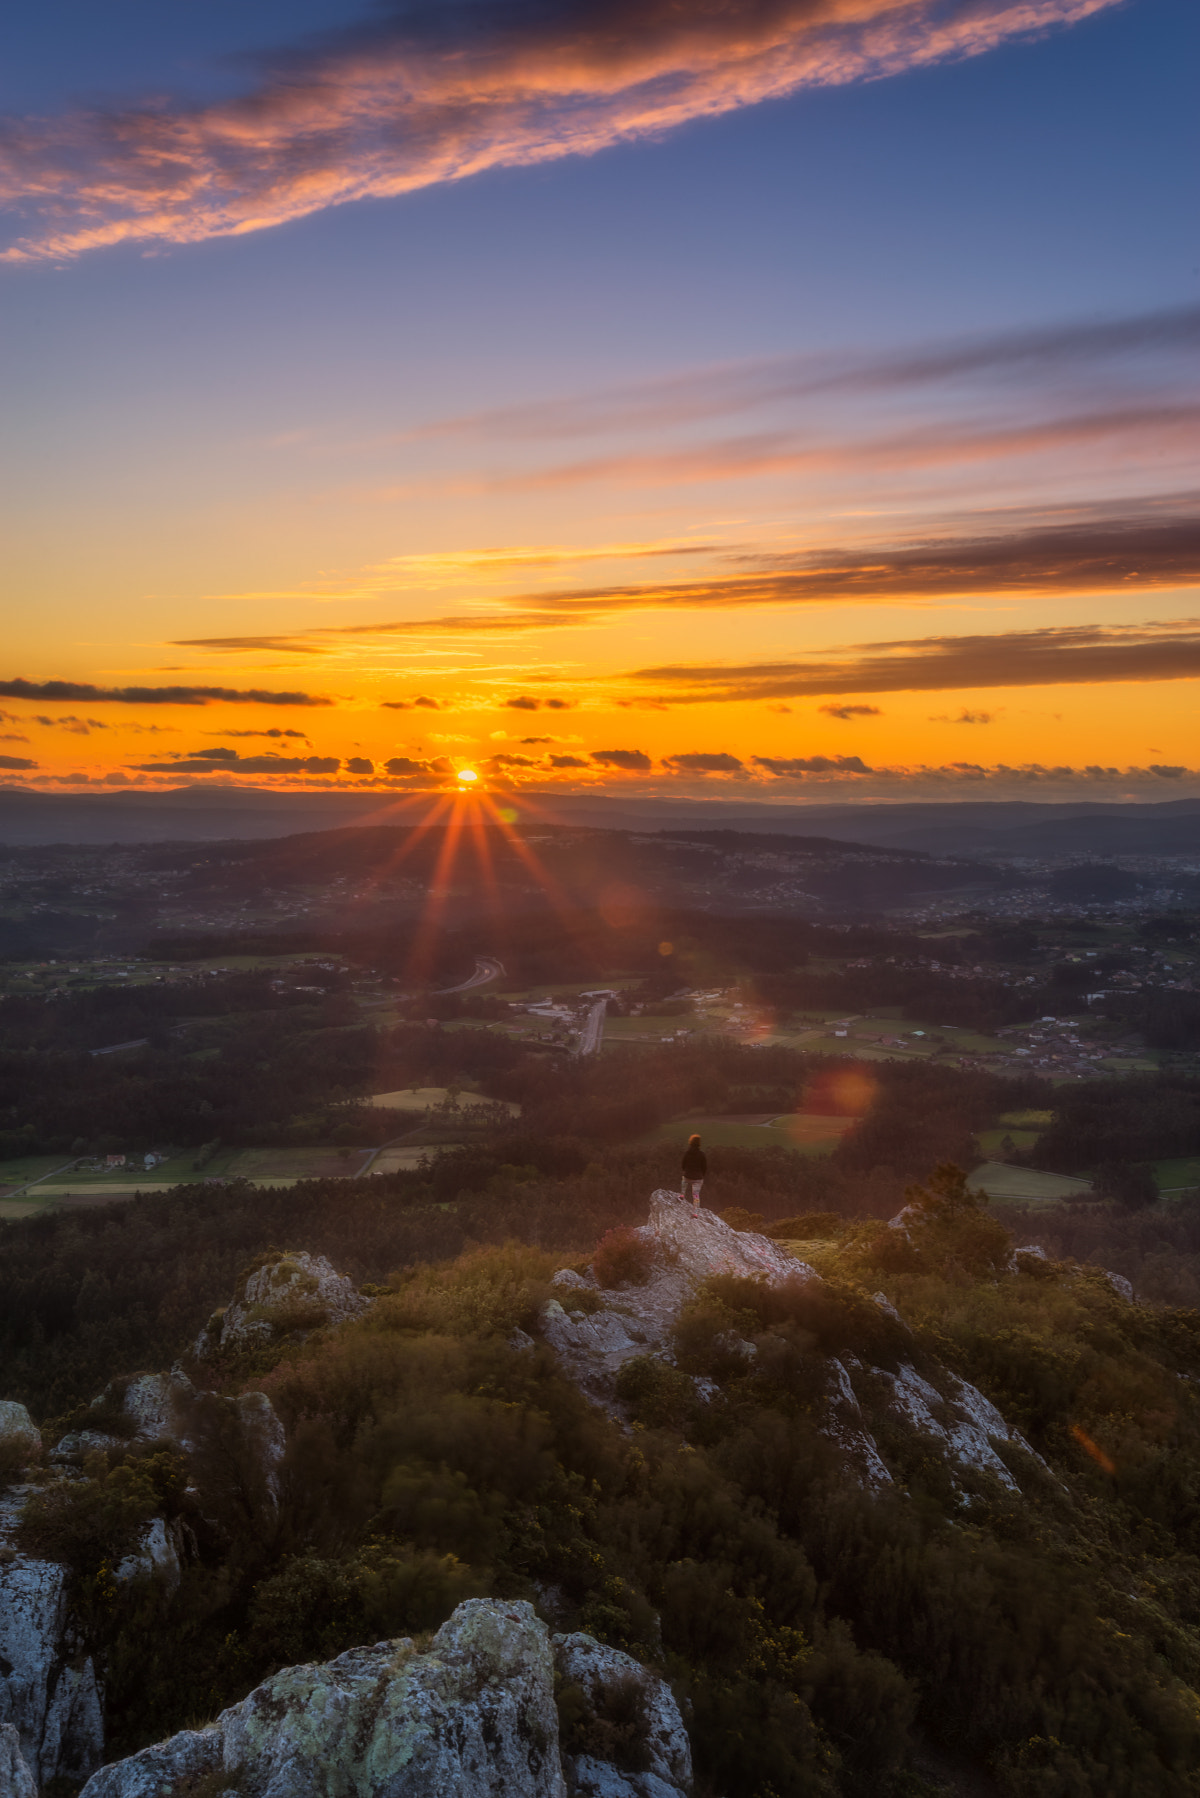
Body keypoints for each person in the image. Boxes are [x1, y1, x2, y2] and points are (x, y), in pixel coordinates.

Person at [681, 1133, 707, 1215]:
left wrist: (686, 1171)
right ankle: (695, 1213)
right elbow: (704, 1167)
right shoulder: (702, 1154)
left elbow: (683, 1165)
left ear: (690, 1141)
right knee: (696, 1196)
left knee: (684, 1181)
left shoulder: (687, 1153)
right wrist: (701, 1175)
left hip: (687, 1175)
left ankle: (682, 1194)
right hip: (698, 1178)